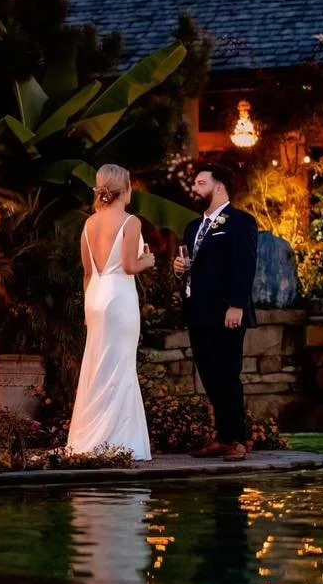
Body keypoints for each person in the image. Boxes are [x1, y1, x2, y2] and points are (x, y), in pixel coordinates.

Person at [67, 164, 155, 461]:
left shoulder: (89, 224)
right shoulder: (131, 222)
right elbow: (130, 266)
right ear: (125, 189)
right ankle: (117, 440)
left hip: (95, 296)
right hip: (119, 298)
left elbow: (88, 272)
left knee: (96, 366)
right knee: (119, 366)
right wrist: (149, 260)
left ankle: (89, 437)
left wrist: (87, 307)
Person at [173, 163, 258, 461]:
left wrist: (237, 305)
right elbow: (193, 268)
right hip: (198, 311)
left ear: (219, 186)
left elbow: (245, 266)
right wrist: (179, 269)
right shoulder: (193, 227)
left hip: (226, 312)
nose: (195, 189)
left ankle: (237, 440)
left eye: (200, 183)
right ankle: (222, 437)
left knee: (227, 374)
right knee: (209, 374)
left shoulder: (240, 222)